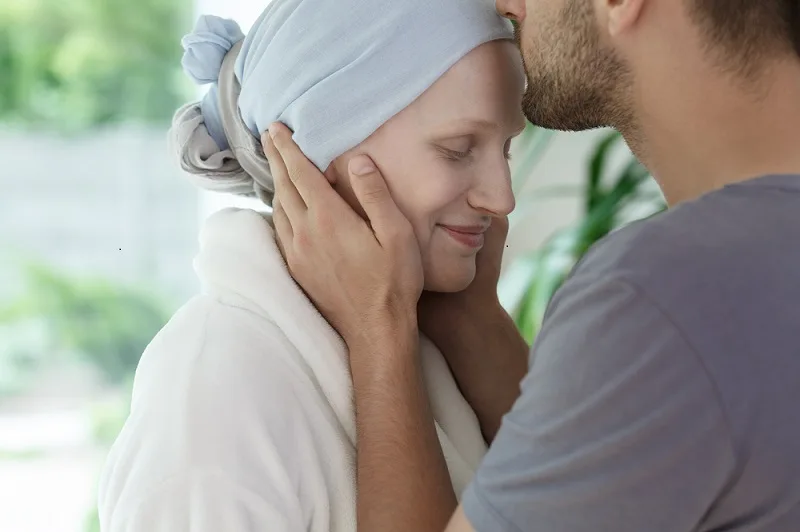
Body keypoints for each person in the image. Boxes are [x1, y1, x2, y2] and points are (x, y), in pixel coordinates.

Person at [265, 0, 800, 530]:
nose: (507, 3)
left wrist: (376, 321)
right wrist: (470, 321)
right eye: (457, 148)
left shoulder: (669, 299)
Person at [96, 1, 527, 531]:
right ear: (310, 154)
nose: (501, 198)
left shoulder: (432, 346)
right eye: (458, 149)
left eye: (505, 150)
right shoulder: (216, 400)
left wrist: (470, 319)